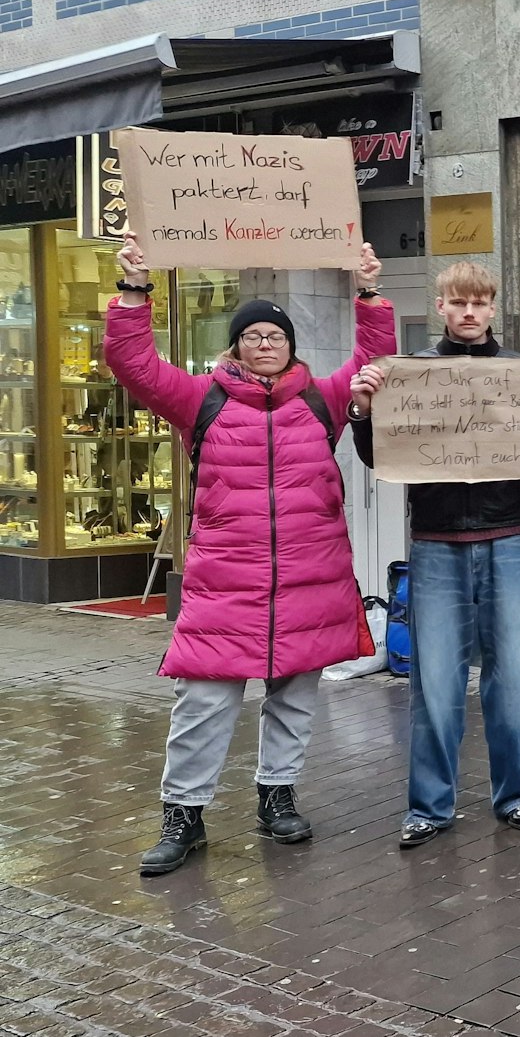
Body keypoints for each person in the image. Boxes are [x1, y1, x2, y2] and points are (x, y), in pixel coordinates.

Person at [105, 233, 395, 876]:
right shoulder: (199, 400)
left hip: (308, 579)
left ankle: (277, 796)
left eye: (277, 336)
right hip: (223, 586)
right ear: (235, 345)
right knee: (203, 704)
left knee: (294, 697)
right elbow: (134, 364)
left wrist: (370, 292)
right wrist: (132, 290)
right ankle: (184, 815)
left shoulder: (322, 401)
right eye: (253, 335)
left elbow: (379, 362)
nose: (265, 344)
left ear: (290, 346)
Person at [348, 262, 520, 848]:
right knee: (434, 681)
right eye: (459, 303)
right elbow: (381, 458)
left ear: (492, 307)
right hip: (434, 545)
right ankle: (429, 806)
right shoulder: (412, 374)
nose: (470, 313)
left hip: (507, 538)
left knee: (514, 677)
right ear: (441, 307)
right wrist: (362, 413)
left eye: (479, 303)